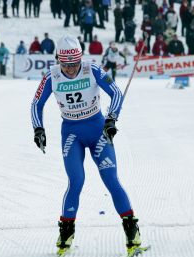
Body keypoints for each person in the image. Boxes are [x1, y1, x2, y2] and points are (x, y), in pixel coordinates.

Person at [30, 35, 145, 257]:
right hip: (72, 134)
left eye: (74, 64)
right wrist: (38, 129)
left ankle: (132, 231)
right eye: (66, 65)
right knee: (76, 181)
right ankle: (66, 233)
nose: (71, 69)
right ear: (58, 61)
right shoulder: (51, 76)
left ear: (80, 60)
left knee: (111, 179)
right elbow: (37, 103)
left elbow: (116, 93)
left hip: (97, 130)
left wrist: (111, 120)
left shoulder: (91, 69)